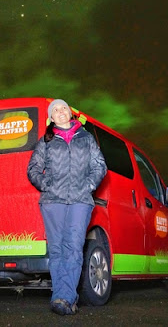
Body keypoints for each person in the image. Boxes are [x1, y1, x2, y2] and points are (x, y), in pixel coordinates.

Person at [27, 99, 107, 315]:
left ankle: (65, 297)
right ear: (51, 117)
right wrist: (46, 185)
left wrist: (89, 186)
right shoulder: (46, 140)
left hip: (80, 201)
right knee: (57, 250)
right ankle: (61, 297)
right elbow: (33, 168)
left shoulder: (86, 138)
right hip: (53, 202)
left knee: (73, 246)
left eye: (63, 108)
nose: (60, 111)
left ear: (69, 113)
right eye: (55, 110)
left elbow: (99, 165)